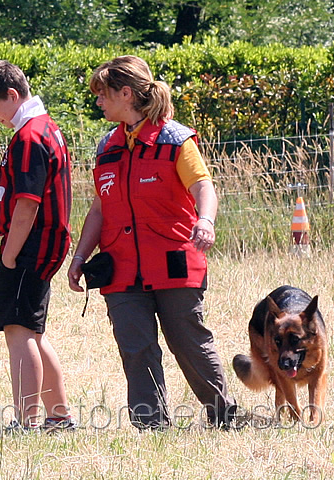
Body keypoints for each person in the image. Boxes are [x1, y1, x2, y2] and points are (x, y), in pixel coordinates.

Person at [67, 55, 237, 430]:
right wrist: (80, 255)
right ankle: (151, 428)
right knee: (135, 347)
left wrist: (205, 220)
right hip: (121, 269)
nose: (98, 102)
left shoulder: (176, 140)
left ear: (126, 94)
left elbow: (203, 187)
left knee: (188, 343)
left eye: (103, 94)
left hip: (173, 263)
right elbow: (99, 208)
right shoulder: (106, 147)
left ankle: (225, 415)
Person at [0, 60, 75, 432]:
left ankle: (26, 422)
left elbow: (27, 203)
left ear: (13, 96)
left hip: (30, 245)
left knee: (18, 333)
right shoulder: (49, 129)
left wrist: (10, 254)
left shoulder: (29, 137)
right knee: (33, 332)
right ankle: (59, 416)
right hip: (47, 244)